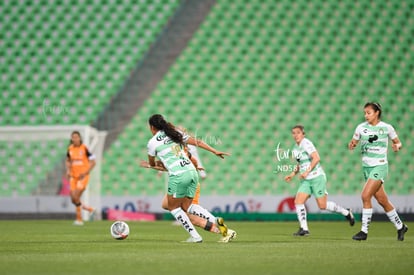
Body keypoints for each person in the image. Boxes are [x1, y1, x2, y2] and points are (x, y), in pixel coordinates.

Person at [145, 114, 231, 243]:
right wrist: (214, 151)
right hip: (192, 171)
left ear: (152, 127)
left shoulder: (152, 143)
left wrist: (154, 165)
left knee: (173, 207)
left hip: (178, 176)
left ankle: (196, 237)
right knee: (188, 207)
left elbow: (152, 163)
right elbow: (198, 142)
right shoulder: (174, 132)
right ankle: (215, 219)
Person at [348, 102, 408, 241]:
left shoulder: (386, 128)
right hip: (366, 167)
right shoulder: (361, 128)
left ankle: (364, 231)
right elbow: (353, 142)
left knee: (365, 196)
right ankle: (401, 227)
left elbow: (398, 142)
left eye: (369, 113)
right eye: (365, 113)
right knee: (382, 200)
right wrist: (351, 145)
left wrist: (397, 146)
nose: (366, 115)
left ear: (377, 113)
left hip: (380, 166)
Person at [285, 125, 355, 236]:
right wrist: (292, 174)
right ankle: (304, 229)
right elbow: (301, 163)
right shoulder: (295, 148)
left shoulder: (306, 143)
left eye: (298, 132)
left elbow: (316, 157)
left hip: (317, 177)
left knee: (322, 206)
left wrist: (307, 171)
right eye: (293, 133)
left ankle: (346, 212)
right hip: (306, 180)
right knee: (298, 201)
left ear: (303, 134)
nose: (296, 135)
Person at [66, 131, 96, 225]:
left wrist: (86, 172)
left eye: (76, 137)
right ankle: (90, 209)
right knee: (73, 199)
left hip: (82, 176)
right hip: (73, 176)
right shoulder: (70, 149)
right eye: (73, 137)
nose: (75, 139)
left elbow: (93, 161)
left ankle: (79, 220)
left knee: (76, 196)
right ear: (71, 139)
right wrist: (68, 170)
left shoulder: (84, 148)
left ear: (80, 138)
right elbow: (68, 160)